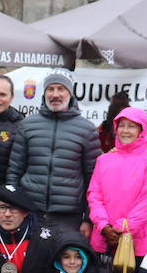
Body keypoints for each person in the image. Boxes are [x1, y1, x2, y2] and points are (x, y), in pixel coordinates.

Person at [7, 70, 101, 230]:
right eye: (50, 89)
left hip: (69, 217)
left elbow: (94, 179)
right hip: (30, 212)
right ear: (44, 93)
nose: (55, 94)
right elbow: (14, 171)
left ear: (70, 93)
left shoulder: (87, 130)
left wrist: (88, 219)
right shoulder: (27, 125)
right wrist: (12, 205)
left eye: (61, 89)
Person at [87, 107, 147, 260]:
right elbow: (94, 195)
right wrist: (104, 226)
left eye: (131, 126)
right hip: (104, 238)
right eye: (121, 125)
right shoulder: (103, 160)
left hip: (138, 242)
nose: (125, 131)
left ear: (141, 130)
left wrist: (122, 229)